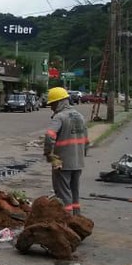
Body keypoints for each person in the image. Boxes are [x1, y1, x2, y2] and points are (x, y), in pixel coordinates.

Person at [44, 87, 89, 215]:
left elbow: (49, 135)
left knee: (63, 194)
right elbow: (86, 140)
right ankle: (77, 219)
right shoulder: (80, 116)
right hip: (78, 161)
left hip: (62, 163)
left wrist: (50, 155)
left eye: (52, 104)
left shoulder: (60, 117)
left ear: (58, 102)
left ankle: (66, 222)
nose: (51, 107)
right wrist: (81, 154)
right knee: (74, 192)